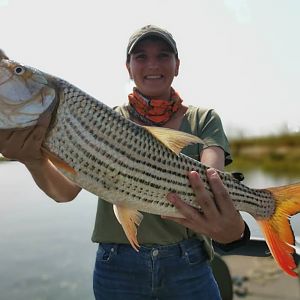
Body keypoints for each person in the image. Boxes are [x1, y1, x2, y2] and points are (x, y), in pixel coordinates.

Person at [0, 25, 250, 299]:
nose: (152, 64)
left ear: (177, 65)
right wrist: (31, 159)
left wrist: (233, 218)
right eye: (141, 56)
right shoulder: (104, 119)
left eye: (163, 55)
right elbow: (65, 192)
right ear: (128, 67)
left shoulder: (204, 119)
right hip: (117, 265)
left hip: (188, 262)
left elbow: (212, 176)